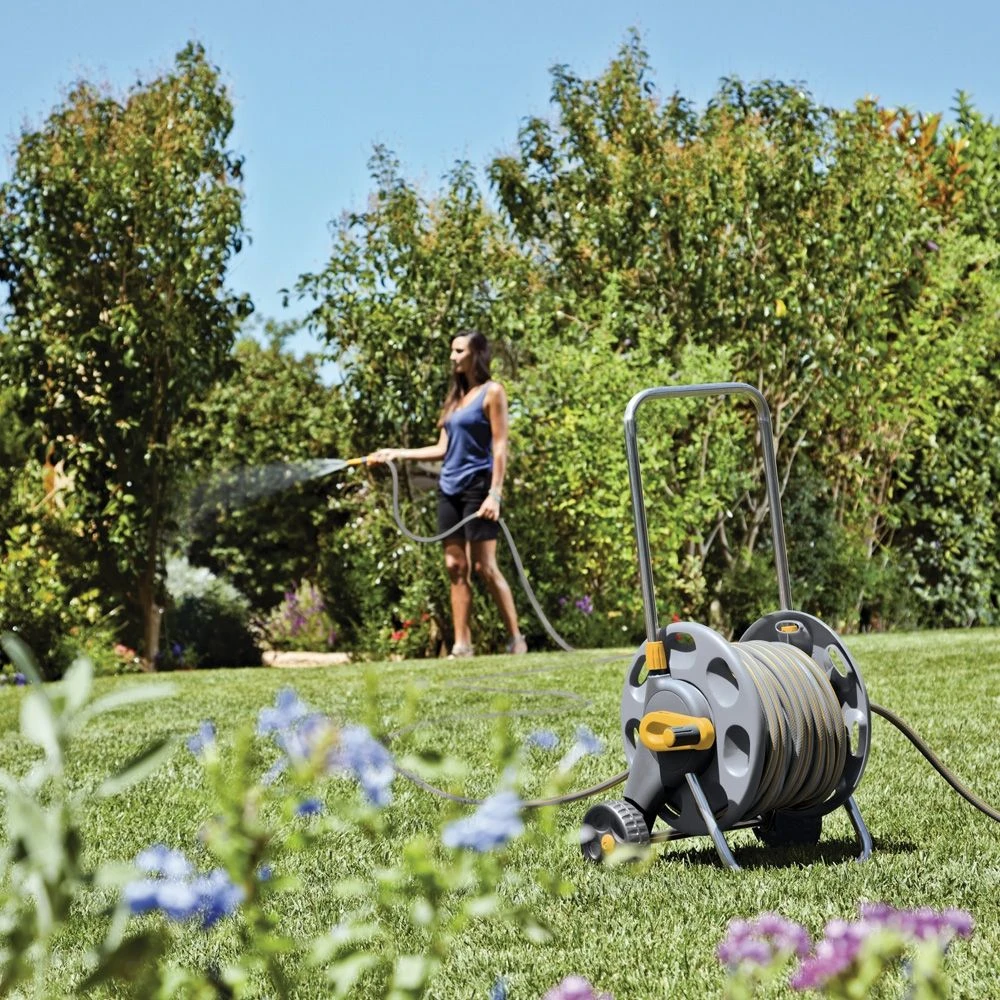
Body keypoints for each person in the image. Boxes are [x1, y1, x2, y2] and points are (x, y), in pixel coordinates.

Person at [369, 330, 528, 658]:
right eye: (452, 351)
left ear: (476, 354)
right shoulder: (454, 399)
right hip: (449, 487)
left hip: (478, 486)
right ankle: (461, 645)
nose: (452, 357)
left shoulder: (492, 392)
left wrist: (495, 494)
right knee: (455, 566)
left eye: (459, 351)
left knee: (484, 567)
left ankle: (516, 639)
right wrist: (396, 454)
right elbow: (442, 448)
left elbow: (500, 446)